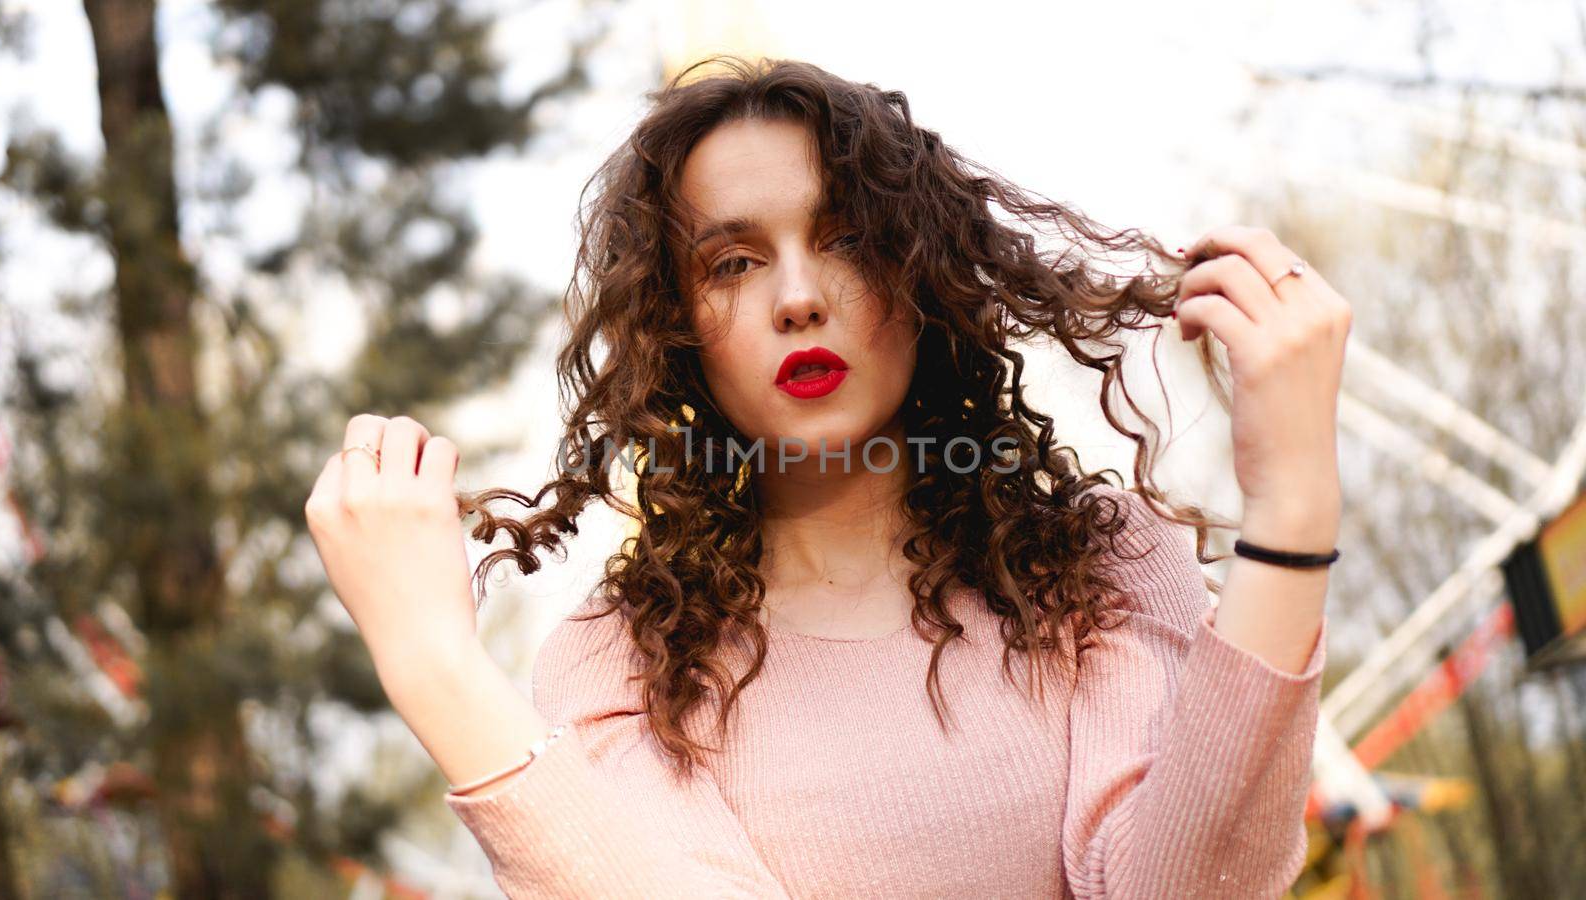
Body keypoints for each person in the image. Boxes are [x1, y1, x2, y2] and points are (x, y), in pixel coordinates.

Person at [304, 55, 1350, 898]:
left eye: (844, 239)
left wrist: (1293, 507)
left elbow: (1185, 888)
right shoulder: (620, 667)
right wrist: (433, 666)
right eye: (732, 261)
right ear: (677, 327)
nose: (798, 296)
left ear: (919, 269)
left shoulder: (1101, 569)